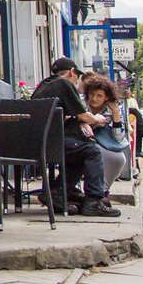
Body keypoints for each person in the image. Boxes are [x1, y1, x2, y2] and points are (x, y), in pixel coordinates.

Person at [31, 57, 116, 216]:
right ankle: (94, 200)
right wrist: (98, 119)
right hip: (51, 143)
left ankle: (59, 192)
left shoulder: (43, 85)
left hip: (36, 142)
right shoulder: (64, 84)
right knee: (91, 151)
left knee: (78, 152)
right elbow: (84, 115)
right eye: (77, 76)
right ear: (72, 72)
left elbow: (64, 115)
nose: (77, 81)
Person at [82, 75, 131, 191]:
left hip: (105, 142)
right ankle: (95, 192)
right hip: (85, 141)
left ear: (106, 97)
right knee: (98, 155)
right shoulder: (82, 106)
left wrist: (116, 114)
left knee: (119, 159)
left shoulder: (112, 109)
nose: (94, 99)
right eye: (92, 94)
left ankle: (103, 191)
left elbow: (119, 137)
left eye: (99, 96)